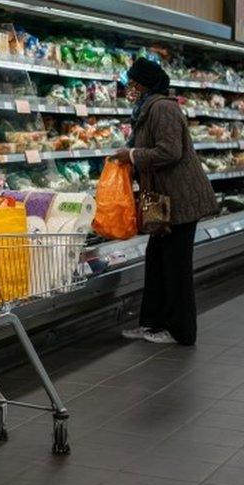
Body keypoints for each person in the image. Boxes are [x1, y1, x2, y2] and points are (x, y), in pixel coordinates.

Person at [113, 58, 218, 345]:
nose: (129, 89)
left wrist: (132, 156)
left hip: (180, 199)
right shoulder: (147, 109)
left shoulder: (163, 108)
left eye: (133, 84)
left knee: (176, 266)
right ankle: (152, 323)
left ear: (145, 84)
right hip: (160, 200)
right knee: (157, 262)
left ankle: (180, 330)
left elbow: (170, 152)